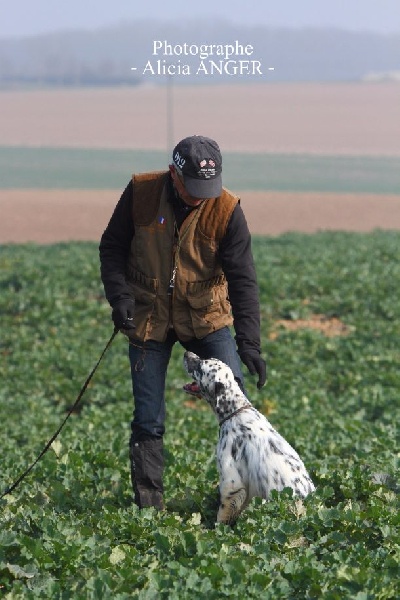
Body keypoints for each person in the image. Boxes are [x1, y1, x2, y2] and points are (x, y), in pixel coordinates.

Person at [99, 135, 267, 510]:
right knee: (148, 418)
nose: (200, 196)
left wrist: (250, 344)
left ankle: (242, 502)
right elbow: (111, 247)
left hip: (206, 317)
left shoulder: (226, 209)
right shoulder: (141, 193)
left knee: (238, 406)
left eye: (207, 188)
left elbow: (243, 280)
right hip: (148, 317)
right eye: (192, 188)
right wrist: (120, 298)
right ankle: (150, 505)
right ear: (174, 174)